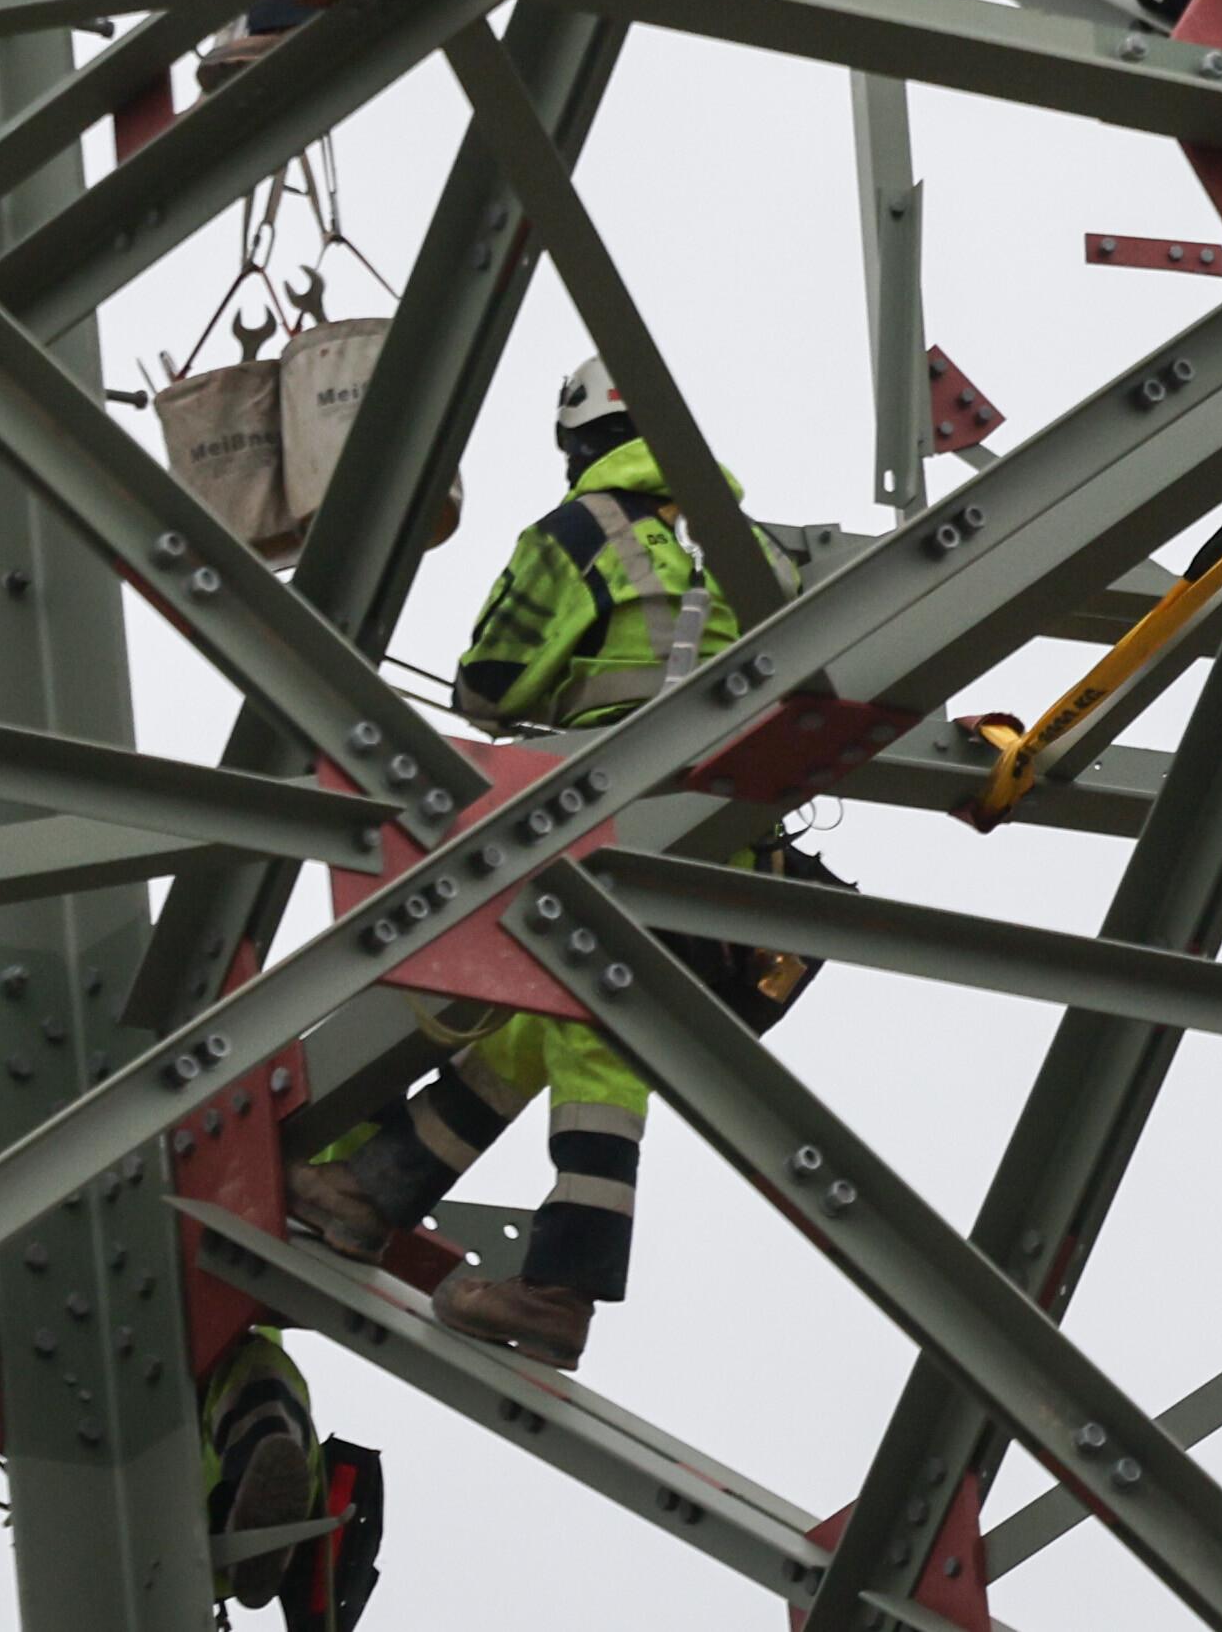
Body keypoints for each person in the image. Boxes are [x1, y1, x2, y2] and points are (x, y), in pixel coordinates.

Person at [270, 357, 838, 1365]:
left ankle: (562, 1285)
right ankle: (367, 1190)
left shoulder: (580, 534)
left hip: (621, 827)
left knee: (590, 1038)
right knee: (545, 1028)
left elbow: (489, 685)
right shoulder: (760, 551)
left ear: (583, 442)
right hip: (737, 869)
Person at [195, 1319, 380, 1625]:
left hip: (211, 1518)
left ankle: (260, 1520)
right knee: (260, 1374)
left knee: (259, 1381)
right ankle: (259, 1525)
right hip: (207, 1527)